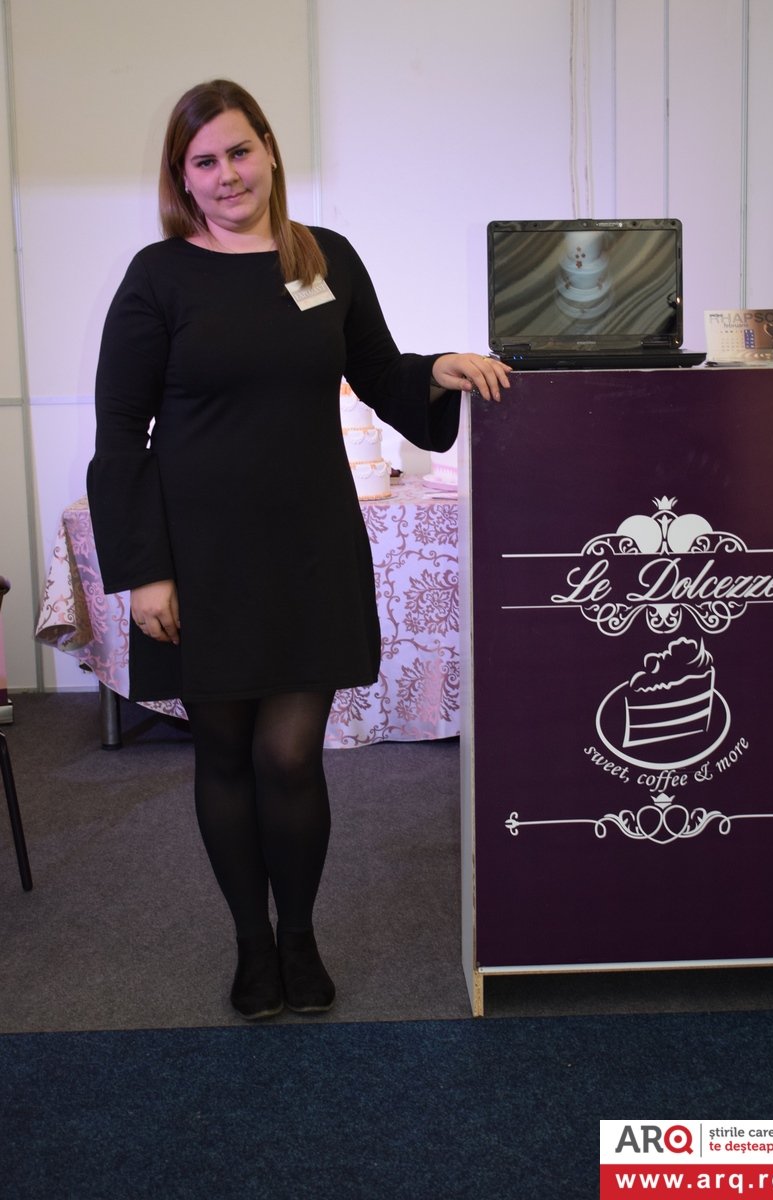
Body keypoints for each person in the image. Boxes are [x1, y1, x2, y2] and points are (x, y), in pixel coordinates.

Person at [87, 79, 511, 1021]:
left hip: (310, 546)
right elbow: (119, 434)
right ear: (183, 179)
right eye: (205, 161)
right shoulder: (158, 277)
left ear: (270, 151)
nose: (227, 174)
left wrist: (438, 370)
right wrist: (145, 570)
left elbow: (382, 374)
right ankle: (252, 943)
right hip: (201, 557)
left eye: (240, 151)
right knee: (224, 754)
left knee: (288, 757)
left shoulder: (324, 259)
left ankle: (299, 937)